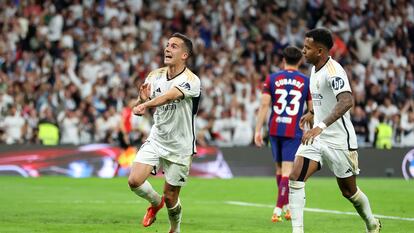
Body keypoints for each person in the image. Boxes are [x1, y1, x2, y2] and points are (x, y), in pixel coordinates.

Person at [289, 28, 381, 233]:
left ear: (320, 51)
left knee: (349, 191)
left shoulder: (334, 71)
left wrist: (320, 126)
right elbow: (324, 100)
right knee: (295, 177)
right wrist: (313, 114)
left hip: (339, 141)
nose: (303, 51)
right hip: (317, 138)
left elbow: (347, 101)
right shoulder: (314, 69)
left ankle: (371, 223)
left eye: (307, 48)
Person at [128, 33, 201, 233]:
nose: (167, 49)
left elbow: (170, 96)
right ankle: (154, 202)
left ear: (185, 55)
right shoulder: (154, 75)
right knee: (134, 181)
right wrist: (141, 101)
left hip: (180, 146)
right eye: (167, 45)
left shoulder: (191, 80)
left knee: (171, 196)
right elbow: (138, 106)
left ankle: (174, 229)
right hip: (157, 139)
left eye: (174, 46)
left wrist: (146, 104)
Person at [255, 46, 313, 223]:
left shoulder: (272, 78)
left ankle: (286, 207)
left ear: (283, 60)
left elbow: (265, 105)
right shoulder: (306, 81)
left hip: (274, 129)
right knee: (287, 172)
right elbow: (311, 109)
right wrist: (311, 129)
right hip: (293, 131)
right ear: (301, 61)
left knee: (280, 170)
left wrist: (257, 130)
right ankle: (278, 209)